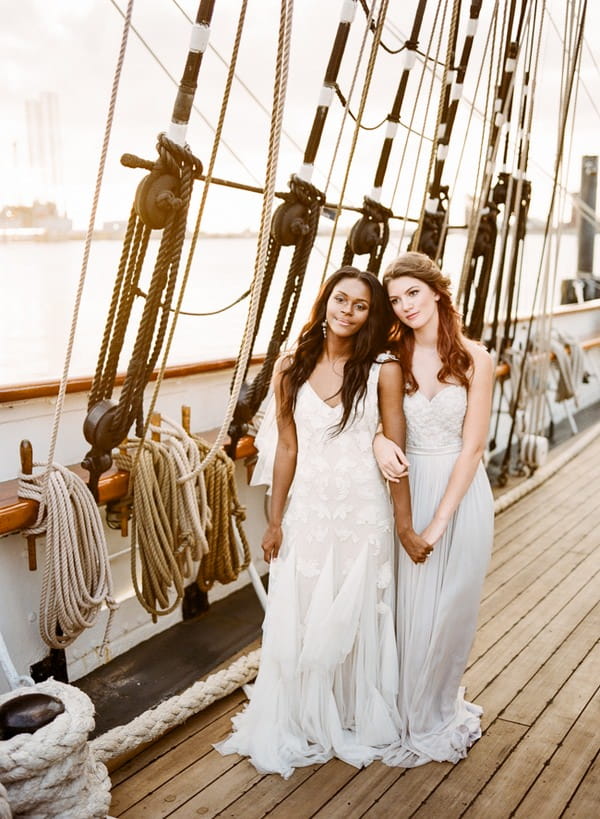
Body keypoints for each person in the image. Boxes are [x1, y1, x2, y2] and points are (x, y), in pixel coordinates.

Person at [216, 266, 408, 779]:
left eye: (360, 305)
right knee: (301, 608)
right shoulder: (289, 367)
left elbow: (393, 447)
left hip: (363, 509)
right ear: (325, 302)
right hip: (309, 508)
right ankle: (302, 715)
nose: (347, 311)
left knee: (356, 606)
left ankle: (348, 712)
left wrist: (406, 525)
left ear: (372, 315)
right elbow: (287, 450)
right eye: (340, 300)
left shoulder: (383, 368)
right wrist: (274, 519)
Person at [374, 250, 495, 768]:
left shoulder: (475, 358)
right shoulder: (389, 356)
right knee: (403, 608)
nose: (404, 307)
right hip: (405, 485)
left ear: (437, 291)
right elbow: (370, 418)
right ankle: (398, 709)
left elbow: (472, 449)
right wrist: (379, 440)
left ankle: (436, 709)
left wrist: (440, 521)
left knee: (450, 608)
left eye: (413, 294)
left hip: (460, 495)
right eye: (396, 300)